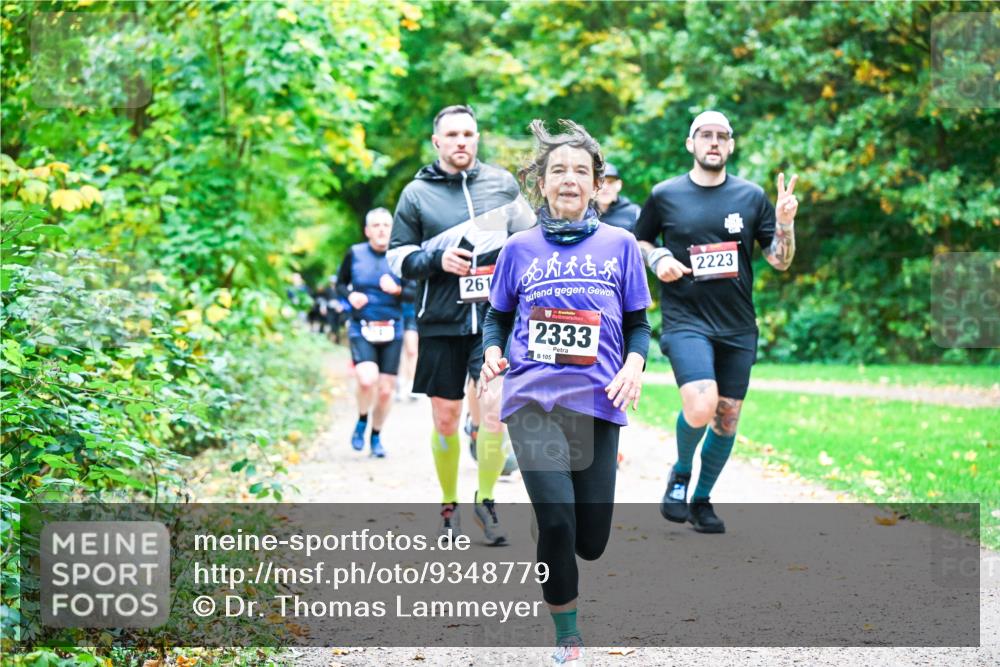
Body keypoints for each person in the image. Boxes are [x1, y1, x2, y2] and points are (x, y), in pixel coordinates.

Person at [480, 119, 651, 666]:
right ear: (542, 183)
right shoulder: (518, 249)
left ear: (597, 183)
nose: (570, 179)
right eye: (559, 170)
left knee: (590, 540)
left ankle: (553, 515)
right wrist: (490, 352)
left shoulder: (620, 246)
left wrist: (635, 365)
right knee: (557, 520)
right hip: (532, 398)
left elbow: (640, 325)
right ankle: (568, 636)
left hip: (598, 401)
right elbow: (495, 318)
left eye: (581, 170)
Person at [634, 110, 799, 533]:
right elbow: (640, 240)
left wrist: (784, 222)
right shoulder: (665, 194)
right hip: (686, 318)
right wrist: (658, 257)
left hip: (738, 325)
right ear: (690, 143)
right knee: (701, 404)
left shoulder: (750, 197)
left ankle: (702, 500)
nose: (713, 142)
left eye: (721, 135)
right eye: (704, 135)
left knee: (726, 417)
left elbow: (779, 261)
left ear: (730, 145)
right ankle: (681, 472)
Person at [388, 104, 535, 544]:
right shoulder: (416, 194)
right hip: (441, 321)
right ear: (437, 142)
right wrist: (437, 259)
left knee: (494, 412)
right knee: (448, 419)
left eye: (468, 134)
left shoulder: (502, 185)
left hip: (493, 321)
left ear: (477, 138)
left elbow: (529, 241)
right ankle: (448, 505)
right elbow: (398, 258)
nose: (461, 142)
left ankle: (485, 503)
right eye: (452, 135)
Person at [336, 207, 410, 458]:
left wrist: (398, 290)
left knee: (387, 389)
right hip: (362, 326)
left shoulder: (400, 257)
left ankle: (376, 436)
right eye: (376, 225)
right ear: (367, 231)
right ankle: (361, 419)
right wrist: (350, 296)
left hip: (392, 327)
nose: (381, 230)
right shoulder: (355, 253)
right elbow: (339, 284)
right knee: (367, 379)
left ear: (392, 229)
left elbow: (415, 292)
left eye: (386, 225)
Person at [595, 162, 641, 233]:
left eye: (610, 182)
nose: (605, 187)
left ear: (619, 184)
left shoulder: (634, 212)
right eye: (600, 182)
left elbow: (648, 242)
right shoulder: (583, 212)